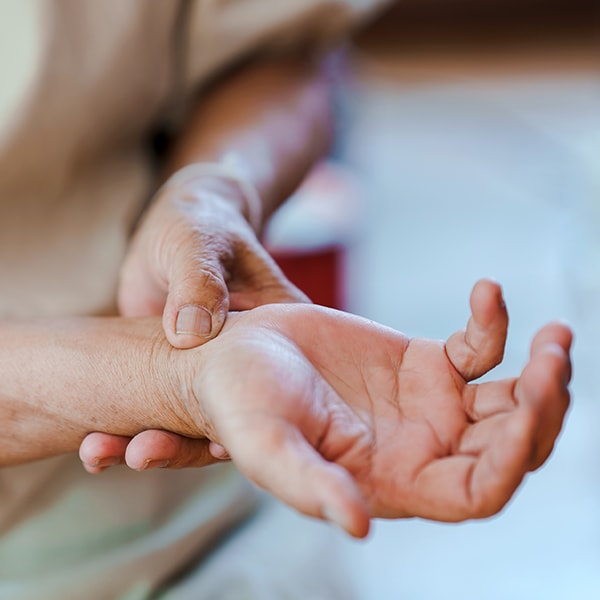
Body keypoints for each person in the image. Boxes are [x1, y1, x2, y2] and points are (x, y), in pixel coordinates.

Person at [0, 1, 572, 598]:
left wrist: (215, 186)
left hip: (217, 511)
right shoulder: (198, 382)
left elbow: (285, 52)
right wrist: (171, 379)